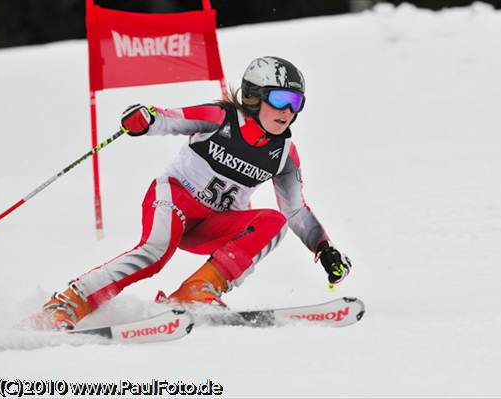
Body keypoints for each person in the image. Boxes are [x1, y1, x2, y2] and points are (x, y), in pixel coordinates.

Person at [38, 56, 352, 330]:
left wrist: (324, 248)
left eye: (296, 103)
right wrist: (146, 119)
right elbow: (171, 119)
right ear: (255, 97)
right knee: (154, 253)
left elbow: (295, 210)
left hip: (213, 224)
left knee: (272, 222)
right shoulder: (222, 119)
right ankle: (68, 302)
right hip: (174, 200)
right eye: (281, 99)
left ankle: (197, 291)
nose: (288, 111)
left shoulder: (284, 154)